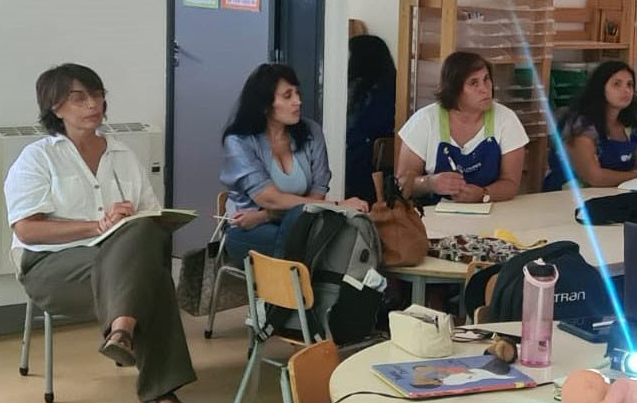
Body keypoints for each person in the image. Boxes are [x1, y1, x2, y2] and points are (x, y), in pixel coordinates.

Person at [5, 64, 199, 403]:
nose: (93, 104)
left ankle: (121, 331)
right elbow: (28, 230)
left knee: (144, 235)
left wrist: (132, 221)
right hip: (52, 266)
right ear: (55, 107)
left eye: (97, 95)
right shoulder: (37, 157)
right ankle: (158, 391)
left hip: (118, 263)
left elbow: (149, 216)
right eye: (79, 98)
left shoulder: (123, 155)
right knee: (151, 279)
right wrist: (96, 226)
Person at [220, 63, 367, 262]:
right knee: (305, 241)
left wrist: (266, 216)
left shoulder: (312, 132)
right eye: (287, 96)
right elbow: (269, 199)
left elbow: (317, 196)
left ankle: (299, 280)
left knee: (319, 235)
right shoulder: (238, 141)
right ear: (265, 105)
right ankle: (301, 280)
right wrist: (339, 205)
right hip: (247, 229)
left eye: (297, 93)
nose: (298, 101)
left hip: (293, 223)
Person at [396, 51, 529, 203]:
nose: (485, 89)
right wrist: (429, 183)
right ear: (454, 89)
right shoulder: (424, 121)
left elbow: (511, 183)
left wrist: (483, 194)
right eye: (474, 83)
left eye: (486, 79)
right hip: (431, 214)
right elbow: (401, 183)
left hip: (491, 212)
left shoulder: (506, 119)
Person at [541, 60, 637, 191]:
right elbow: (594, 177)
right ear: (600, 88)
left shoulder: (634, 126)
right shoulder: (581, 125)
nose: (626, 90)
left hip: (615, 194)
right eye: (617, 84)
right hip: (569, 197)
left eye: (630, 85)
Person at [346, 34, 397, 203]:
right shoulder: (395, 86)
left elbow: (350, 128)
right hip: (384, 171)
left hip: (359, 164)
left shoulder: (358, 91)